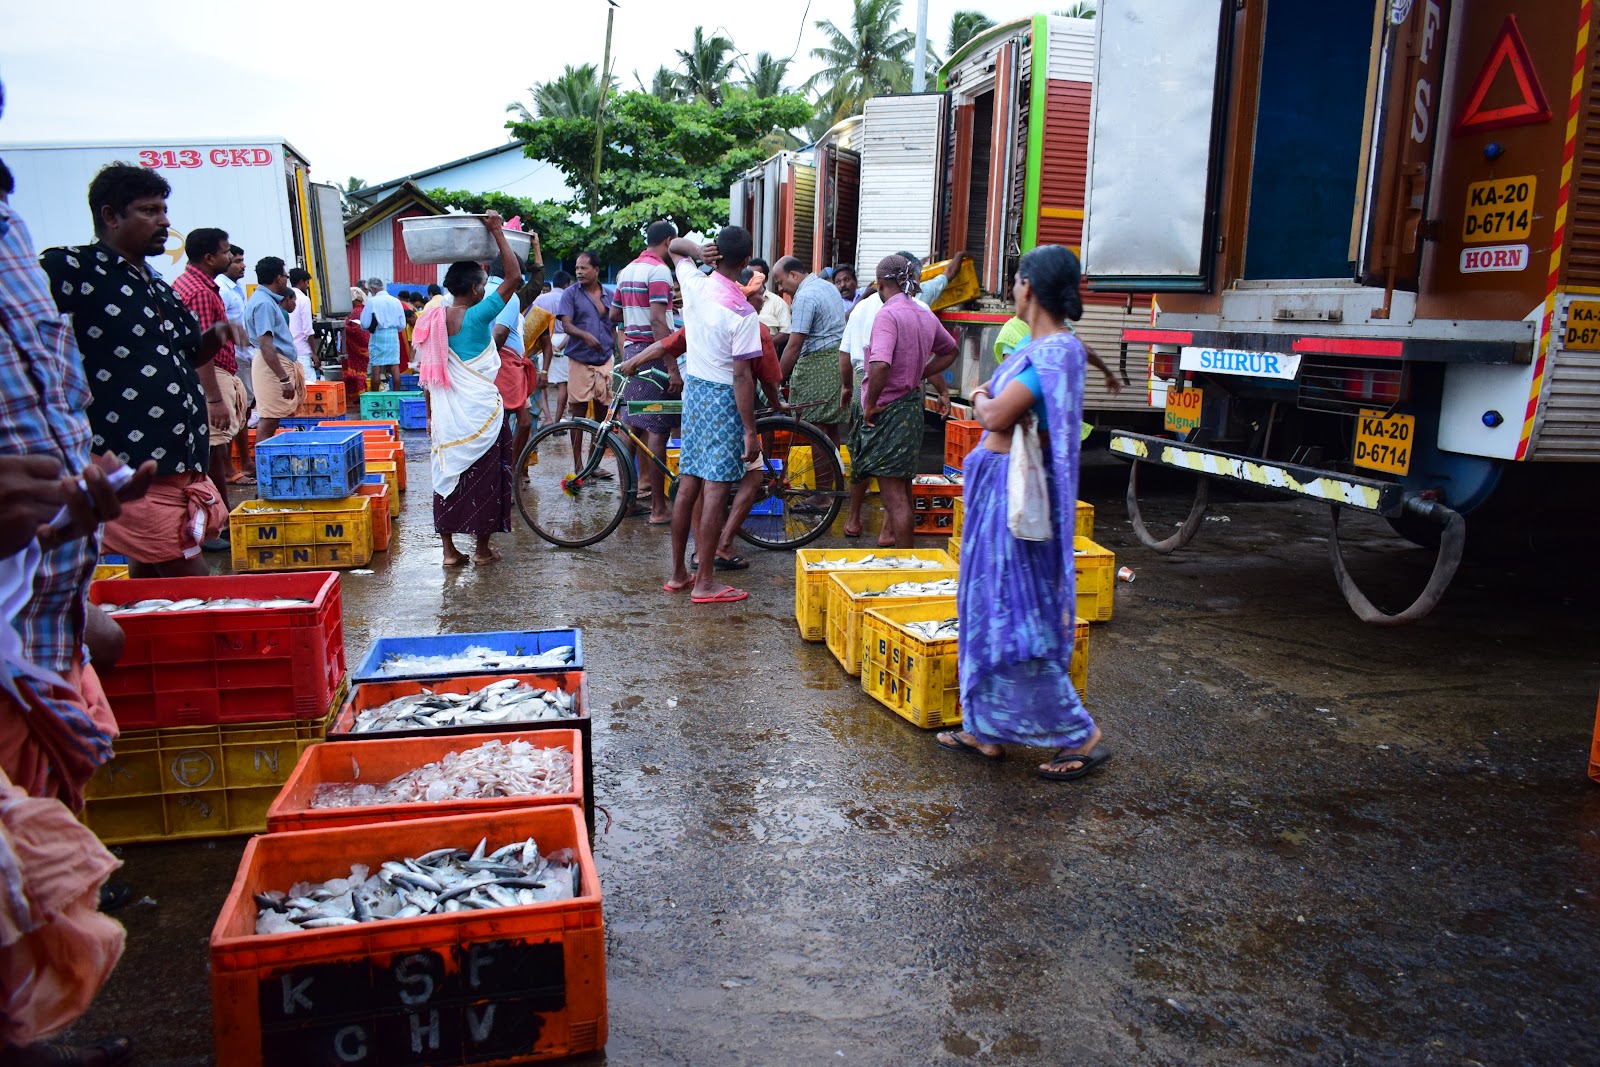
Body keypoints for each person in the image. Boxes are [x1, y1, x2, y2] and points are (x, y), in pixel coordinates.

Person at [0, 140, 153, 1066]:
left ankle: (27, 1034)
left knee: (32, 873)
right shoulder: (74, 268)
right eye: (146, 210)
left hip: (40, 616)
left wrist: (77, 508)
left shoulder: (12, 233)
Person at [935, 245, 1108, 782]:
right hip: (996, 496)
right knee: (986, 611)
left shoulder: (1054, 353)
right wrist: (985, 399)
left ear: (1028, 287)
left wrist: (985, 399)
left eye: (1014, 282)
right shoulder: (1041, 349)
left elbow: (993, 409)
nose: (1011, 290)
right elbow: (986, 403)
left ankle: (1080, 735)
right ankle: (984, 728)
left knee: (1016, 620)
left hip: (1016, 506)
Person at [41, 164, 231, 579]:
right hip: (125, 457)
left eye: (164, 209)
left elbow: (189, 350)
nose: (164, 221)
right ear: (110, 216)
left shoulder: (157, 284)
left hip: (176, 458)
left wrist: (215, 337)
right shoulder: (71, 269)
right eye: (149, 210)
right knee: (189, 577)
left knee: (151, 572)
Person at [660, 229, 761, 604]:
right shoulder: (743, 311)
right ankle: (704, 582)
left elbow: (674, 247)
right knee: (716, 489)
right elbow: (741, 377)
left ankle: (677, 574)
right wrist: (750, 431)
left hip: (695, 392)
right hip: (722, 398)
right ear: (748, 259)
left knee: (689, 483)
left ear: (715, 254)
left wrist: (699, 252)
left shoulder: (695, 283)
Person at [413, 213, 520, 565]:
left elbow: (429, 375)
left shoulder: (431, 319)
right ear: (475, 290)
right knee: (486, 477)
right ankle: (482, 550)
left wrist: (430, 414)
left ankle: (448, 552)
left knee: (447, 473)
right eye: (483, 284)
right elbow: (515, 277)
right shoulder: (478, 315)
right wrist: (495, 232)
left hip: (446, 412)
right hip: (480, 413)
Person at [838, 253, 967, 539]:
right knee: (903, 488)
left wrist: (870, 404)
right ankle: (904, 555)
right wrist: (919, 372)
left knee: (894, 496)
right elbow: (951, 351)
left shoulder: (888, 314)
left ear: (883, 283)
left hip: (888, 410)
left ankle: (905, 561)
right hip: (910, 408)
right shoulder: (922, 311)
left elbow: (880, 364)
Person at [171, 228, 249, 506]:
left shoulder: (195, 285)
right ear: (208, 257)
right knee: (214, 446)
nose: (230, 256)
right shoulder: (201, 293)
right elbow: (201, 352)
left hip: (210, 374)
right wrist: (215, 399)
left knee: (215, 445)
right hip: (209, 376)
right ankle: (219, 517)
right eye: (226, 252)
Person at [614, 221, 680, 524]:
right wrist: (671, 365)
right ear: (669, 242)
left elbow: (615, 313)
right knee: (657, 427)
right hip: (652, 355)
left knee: (631, 426)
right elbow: (656, 320)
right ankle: (657, 508)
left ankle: (627, 500)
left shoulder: (626, 271)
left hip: (631, 351)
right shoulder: (659, 272)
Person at [774, 256, 848, 443]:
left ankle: (827, 472)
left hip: (817, 367)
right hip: (836, 362)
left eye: (780, 282)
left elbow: (794, 345)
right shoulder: (828, 287)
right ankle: (834, 473)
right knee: (829, 426)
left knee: (816, 430)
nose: (781, 289)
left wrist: (776, 380)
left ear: (793, 275)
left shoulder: (805, 297)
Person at [556, 252, 615, 474]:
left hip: (604, 360)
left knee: (602, 416)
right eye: (577, 268)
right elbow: (567, 325)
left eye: (583, 268)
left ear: (596, 269)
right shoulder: (570, 294)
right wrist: (585, 335)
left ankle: (593, 463)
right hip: (579, 359)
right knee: (578, 416)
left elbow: (615, 326)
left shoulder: (609, 295)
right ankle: (578, 465)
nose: (579, 272)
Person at [244, 257, 305, 448]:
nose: (286, 280)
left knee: (273, 417)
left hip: (274, 362)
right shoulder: (264, 303)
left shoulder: (266, 301)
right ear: (279, 278)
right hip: (271, 364)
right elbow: (266, 344)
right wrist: (283, 379)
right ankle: (262, 469)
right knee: (269, 418)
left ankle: (264, 465)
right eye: (285, 276)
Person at [215, 245, 255, 482]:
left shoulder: (236, 289)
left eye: (242, 260)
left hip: (243, 355)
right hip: (231, 358)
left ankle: (244, 461)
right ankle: (229, 468)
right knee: (232, 412)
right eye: (236, 261)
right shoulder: (221, 289)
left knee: (244, 409)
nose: (242, 265)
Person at [534, 271, 571, 425]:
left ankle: (547, 418)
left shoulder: (540, 299)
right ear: (566, 284)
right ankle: (557, 421)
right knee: (563, 383)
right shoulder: (569, 297)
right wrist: (560, 346)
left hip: (544, 340)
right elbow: (573, 325)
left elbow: (534, 323)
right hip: (565, 339)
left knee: (543, 381)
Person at [360, 277, 406, 390]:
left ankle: (375, 396)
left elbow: (364, 324)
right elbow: (402, 325)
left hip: (378, 334)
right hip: (393, 335)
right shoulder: (396, 301)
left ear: (373, 289)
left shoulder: (372, 301)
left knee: (376, 366)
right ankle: (396, 395)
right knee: (395, 365)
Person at [287, 267, 318, 381]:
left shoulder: (284, 298)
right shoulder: (304, 299)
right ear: (301, 282)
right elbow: (308, 331)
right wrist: (314, 353)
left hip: (287, 351)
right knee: (308, 387)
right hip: (302, 351)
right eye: (307, 283)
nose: (308, 286)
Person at [343, 288, 370, 399]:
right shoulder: (364, 309)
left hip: (357, 349)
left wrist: (343, 326)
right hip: (363, 347)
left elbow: (356, 331)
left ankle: (357, 397)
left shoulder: (356, 311)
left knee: (357, 375)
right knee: (360, 374)